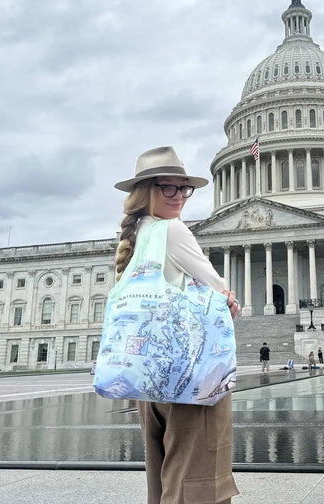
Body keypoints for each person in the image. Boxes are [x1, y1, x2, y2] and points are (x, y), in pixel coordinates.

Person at [114, 146, 240, 504]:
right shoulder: (172, 231)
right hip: (191, 379)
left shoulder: (133, 236)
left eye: (184, 188)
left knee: (163, 482)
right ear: (146, 191)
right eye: (168, 188)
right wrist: (230, 302)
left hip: (149, 382)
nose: (179, 197)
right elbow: (221, 293)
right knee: (197, 484)